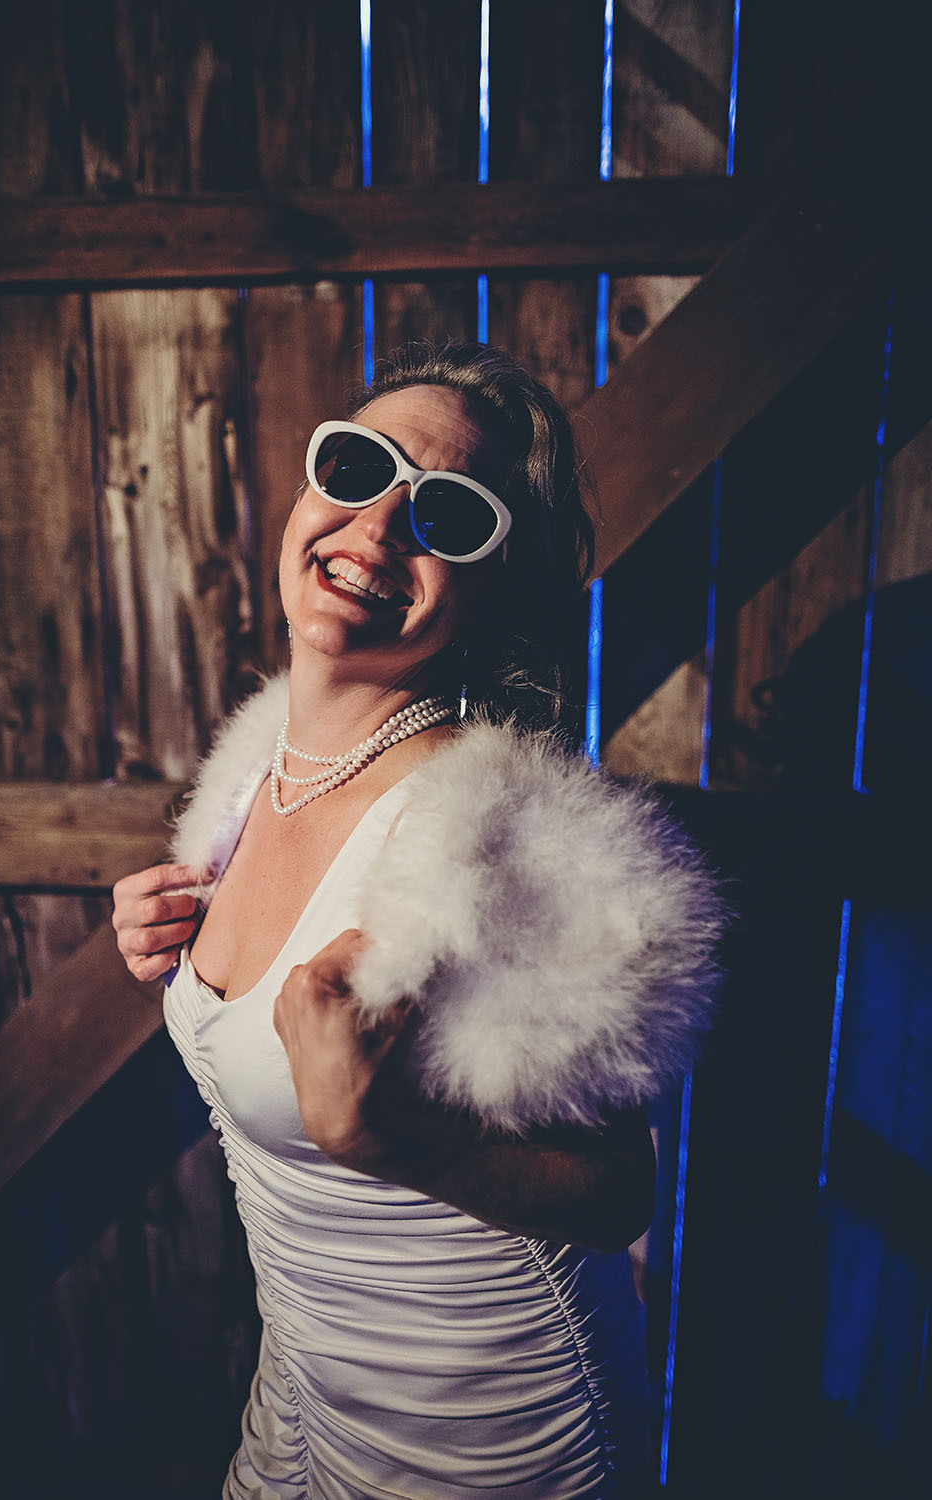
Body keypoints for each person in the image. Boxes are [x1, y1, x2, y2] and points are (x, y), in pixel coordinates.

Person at [112, 341, 725, 1499]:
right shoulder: (248, 785)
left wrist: (394, 1138)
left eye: (446, 516)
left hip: (489, 1429)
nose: (379, 527)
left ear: (494, 590)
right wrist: (168, 945)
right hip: (305, 1384)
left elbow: (617, 1197)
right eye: (357, 469)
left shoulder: (502, 834)